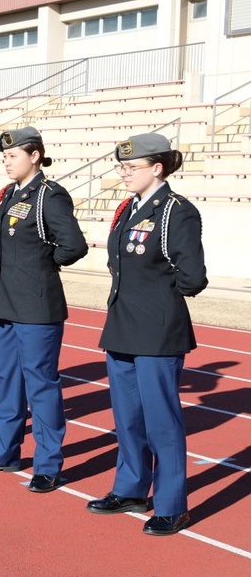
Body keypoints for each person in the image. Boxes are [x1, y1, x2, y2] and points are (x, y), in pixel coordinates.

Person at [88, 133, 208, 535]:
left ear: (156, 168)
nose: (123, 173)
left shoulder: (177, 211)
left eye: (130, 167)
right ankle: (131, 488)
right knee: (128, 418)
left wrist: (157, 296)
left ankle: (172, 503)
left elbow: (192, 277)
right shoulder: (129, 208)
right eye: (121, 167)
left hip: (157, 331)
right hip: (122, 327)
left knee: (161, 421)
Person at [0, 128, 88, 493]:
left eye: (12, 155)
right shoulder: (9, 195)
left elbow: (73, 245)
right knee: (7, 381)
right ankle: (5, 449)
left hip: (36, 306)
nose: (6, 160)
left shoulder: (49, 195)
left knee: (41, 385)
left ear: (34, 156)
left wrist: (42, 268)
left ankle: (48, 463)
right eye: (4, 156)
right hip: (3, 303)